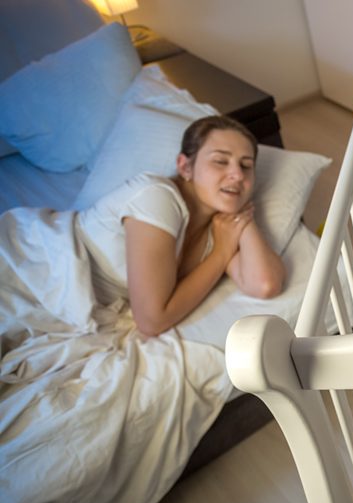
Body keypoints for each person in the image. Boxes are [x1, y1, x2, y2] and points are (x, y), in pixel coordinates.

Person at [76, 115, 284, 337]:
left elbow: (265, 284)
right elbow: (152, 321)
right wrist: (221, 254)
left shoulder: (220, 227)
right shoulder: (157, 197)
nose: (238, 174)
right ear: (185, 167)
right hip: (46, 268)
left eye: (246, 166)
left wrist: (242, 214)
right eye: (220, 161)